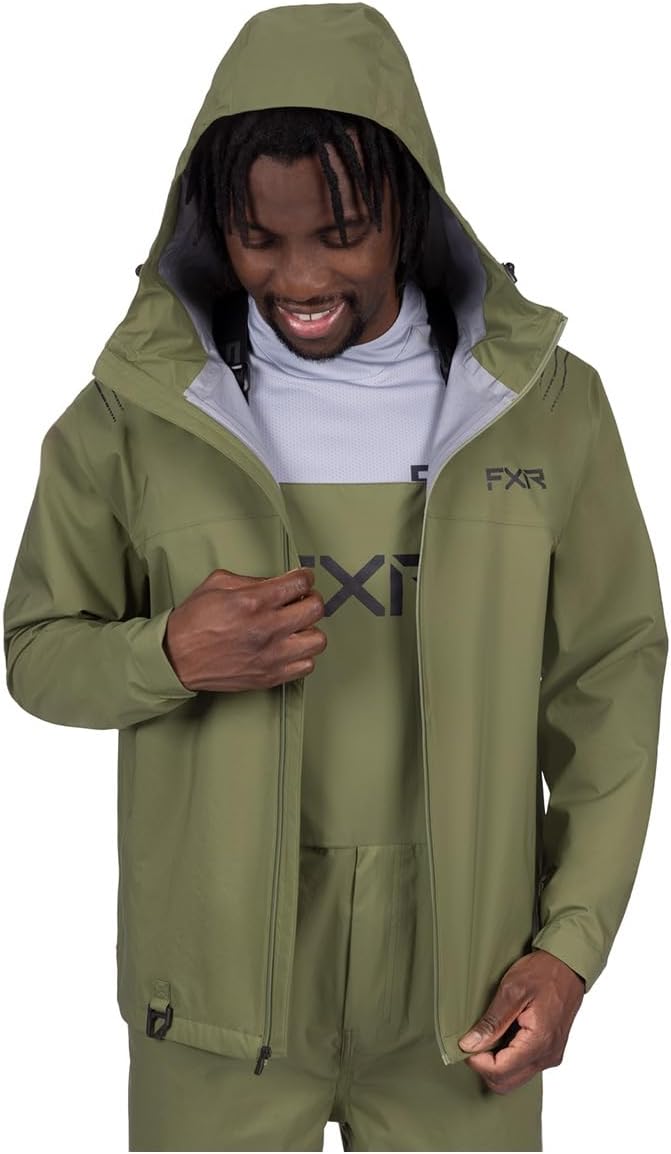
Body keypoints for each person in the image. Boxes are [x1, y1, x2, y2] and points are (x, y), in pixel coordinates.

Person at [3, 3, 667, 1151]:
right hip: (213, 1004)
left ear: (409, 206)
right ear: (214, 223)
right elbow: (36, 650)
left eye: (341, 232)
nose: (299, 276)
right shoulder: (135, 414)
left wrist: (567, 948)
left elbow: (609, 682)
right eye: (259, 238)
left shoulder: (542, 408)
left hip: (464, 997)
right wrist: (165, 653)